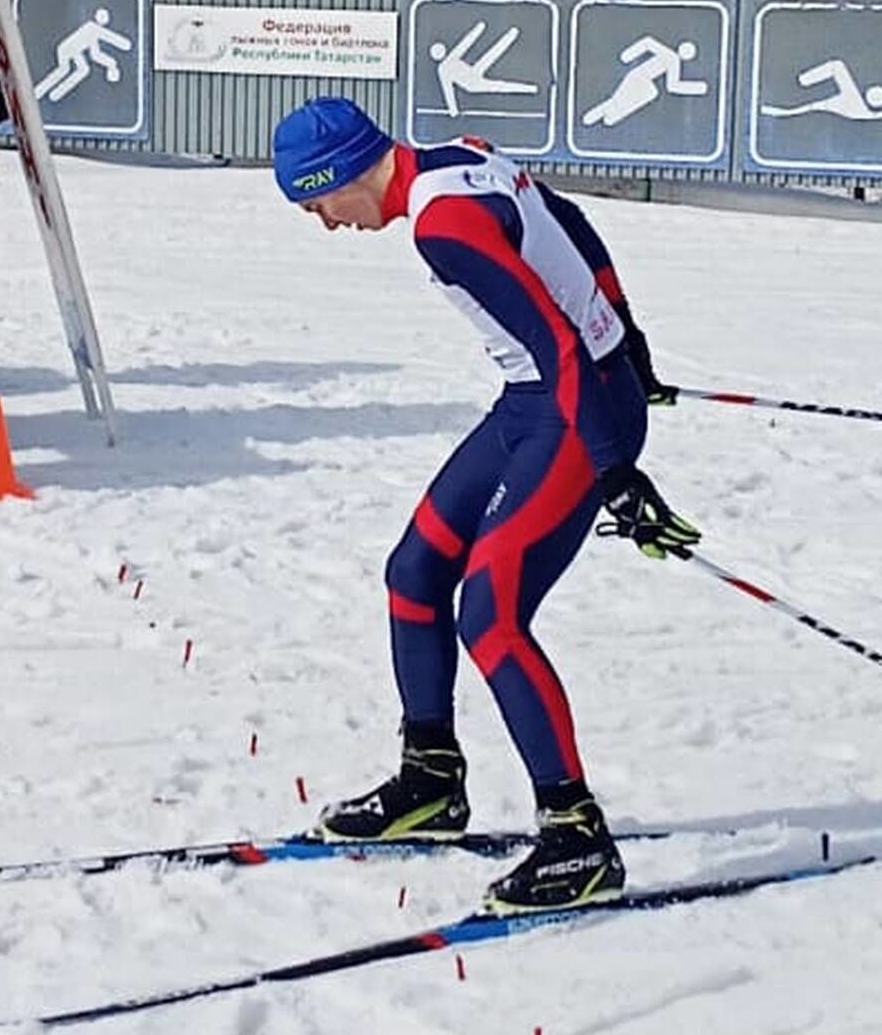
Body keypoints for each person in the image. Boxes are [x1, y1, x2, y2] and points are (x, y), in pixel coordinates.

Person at [270, 97, 696, 915]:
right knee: (415, 572)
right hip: (535, 403)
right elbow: (566, 220)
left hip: (573, 411)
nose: (326, 224)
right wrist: (628, 333)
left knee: (491, 615)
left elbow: (557, 340)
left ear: (340, 177)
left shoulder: (443, 226)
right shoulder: (455, 158)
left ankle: (577, 837)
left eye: (316, 204)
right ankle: (430, 779)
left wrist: (616, 468)